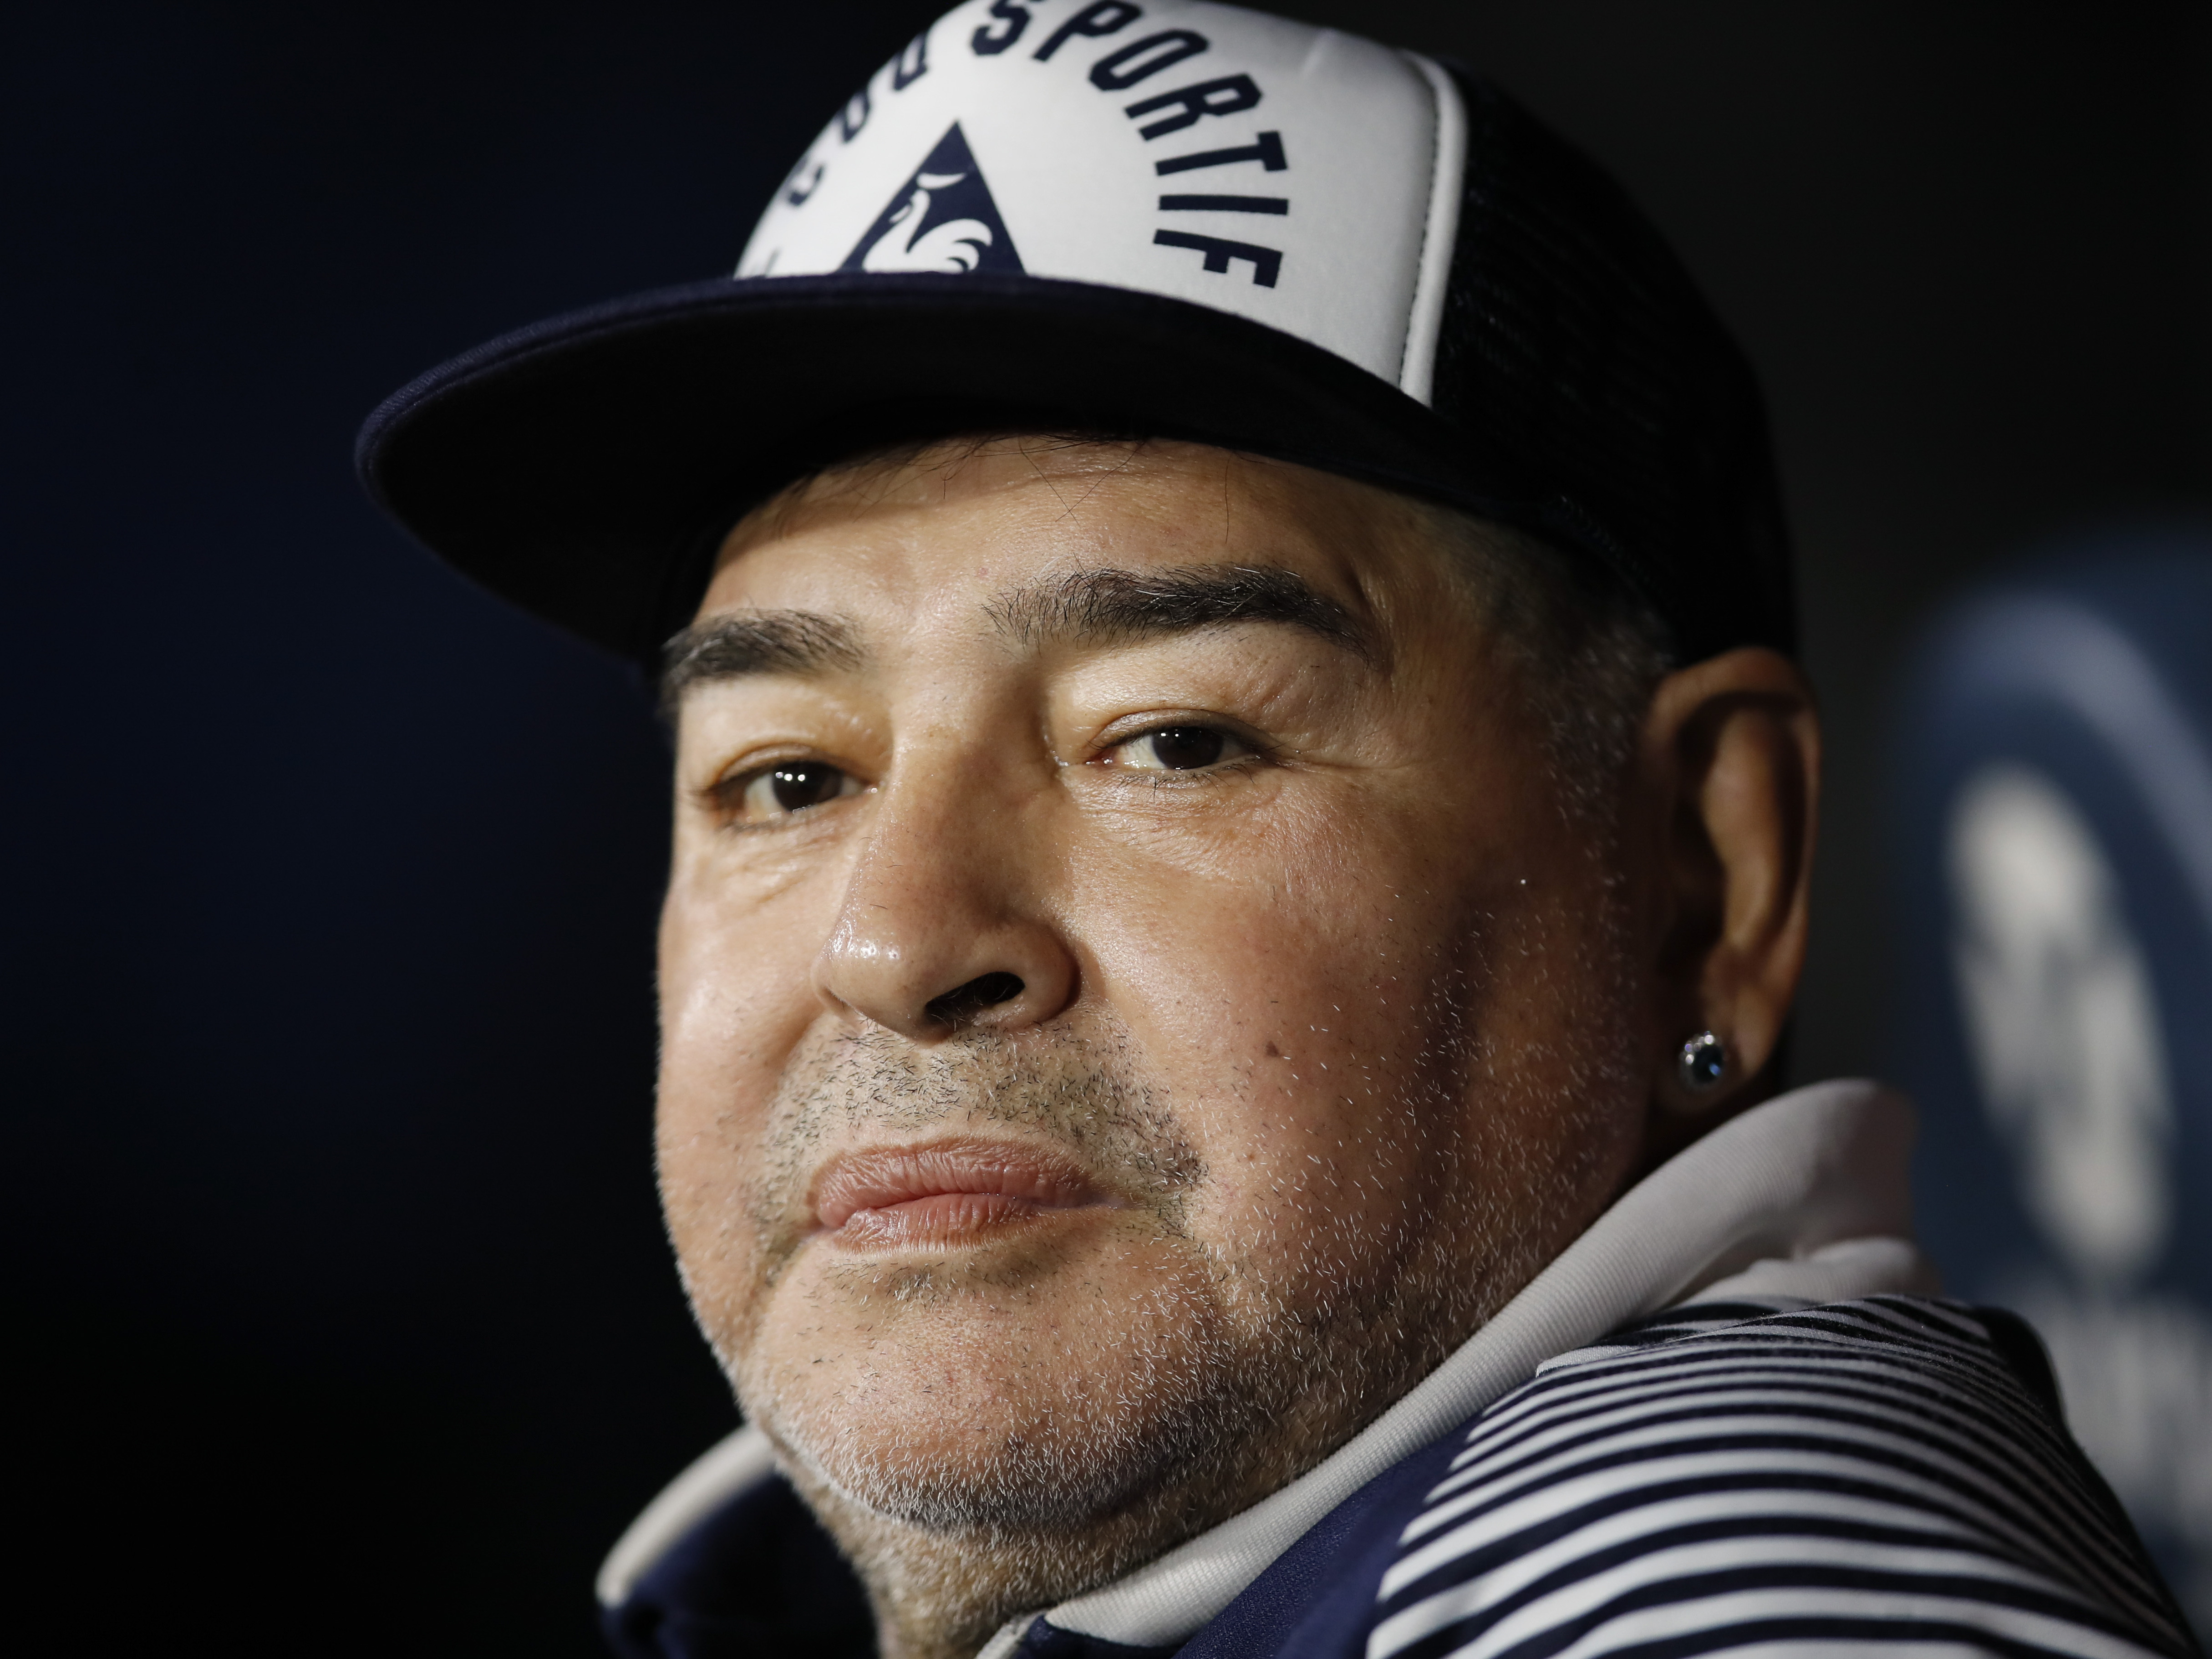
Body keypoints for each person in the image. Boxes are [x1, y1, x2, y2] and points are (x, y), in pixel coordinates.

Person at [358, 4, 2199, 1656]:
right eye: (789, 778)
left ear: (1708, 877)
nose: (897, 939)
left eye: (1171, 738)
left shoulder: (1717, 1581)